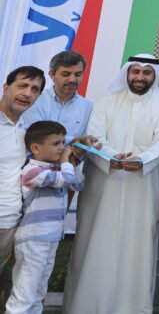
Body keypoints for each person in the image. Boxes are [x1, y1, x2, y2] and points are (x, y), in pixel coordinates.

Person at [64, 54, 159, 314]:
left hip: (143, 187)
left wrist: (142, 160)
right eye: (135, 71)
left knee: (137, 249)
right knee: (94, 245)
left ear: (154, 76)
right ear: (127, 73)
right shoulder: (106, 103)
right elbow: (95, 137)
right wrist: (112, 158)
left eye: (146, 73)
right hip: (104, 185)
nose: (140, 77)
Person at [6, 120, 84, 314]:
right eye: (56, 143)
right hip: (34, 239)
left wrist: (72, 163)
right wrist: (66, 162)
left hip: (51, 238)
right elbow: (67, 179)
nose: (63, 148)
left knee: (39, 292)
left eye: (63, 142)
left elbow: (78, 184)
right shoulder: (33, 171)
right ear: (35, 148)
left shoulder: (57, 170)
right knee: (25, 292)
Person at [0, 66, 45, 307]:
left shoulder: (24, 129)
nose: (27, 93)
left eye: (34, 89)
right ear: (6, 87)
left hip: (9, 222)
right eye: (22, 85)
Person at [21, 50, 93, 142]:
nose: (72, 79)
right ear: (52, 75)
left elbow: (89, 139)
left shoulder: (89, 107)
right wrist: (74, 141)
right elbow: (37, 136)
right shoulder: (34, 101)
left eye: (78, 74)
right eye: (65, 74)